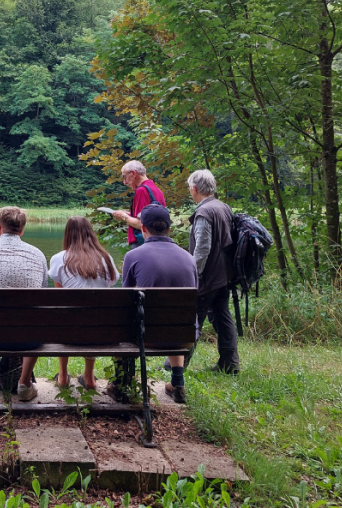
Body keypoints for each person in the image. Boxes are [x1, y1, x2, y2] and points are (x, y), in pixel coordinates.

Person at [120, 204, 198, 403]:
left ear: (143, 228)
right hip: (183, 335)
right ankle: (178, 382)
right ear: (169, 229)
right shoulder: (189, 259)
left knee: (127, 319)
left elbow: (126, 297)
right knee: (174, 318)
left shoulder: (133, 256)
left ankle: (123, 382)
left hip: (146, 336)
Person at [0, 207, 49, 402]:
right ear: (22, 230)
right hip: (29, 338)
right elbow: (42, 293)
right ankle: (24, 384)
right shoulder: (38, 255)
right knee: (36, 318)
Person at [48, 216, 119, 390]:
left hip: (68, 331)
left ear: (67, 234)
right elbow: (110, 283)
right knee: (94, 313)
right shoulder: (106, 258)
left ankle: (63, 376)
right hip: (100, 330)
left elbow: (60, 296)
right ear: (91, 234)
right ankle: (89, 377)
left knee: (65, 313)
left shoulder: (59, 258)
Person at [186, 169, 240, 374]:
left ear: (195, 188)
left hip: (207, 278)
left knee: (192, 319)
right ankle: (230, 364)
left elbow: (202, 248)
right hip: (224, 275)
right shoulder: (223, 207)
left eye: (190, 188)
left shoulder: (204, 212)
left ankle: (176, 366)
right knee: (222, 316)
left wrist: (193, 275)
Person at [112, 161, 167, 250]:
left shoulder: (141, 191)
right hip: (157, 243)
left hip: (142, 244)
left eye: (124, 177)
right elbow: (151, 217)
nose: (124, 182)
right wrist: (130, 214)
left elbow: (141, 224)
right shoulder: (156, 189)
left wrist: (124, 217)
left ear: (133, 173)